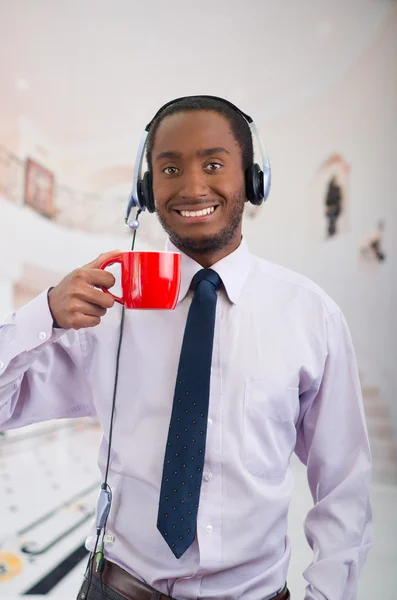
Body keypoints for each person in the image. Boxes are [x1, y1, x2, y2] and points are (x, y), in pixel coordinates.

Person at [0, 96, 372, 600]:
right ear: (147, 188)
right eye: (169, 167)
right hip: (117, 589)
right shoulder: (109, 311)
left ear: (252, 178)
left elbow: (343, 483)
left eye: (214, 164)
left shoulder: (310, 315)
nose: (192, 187)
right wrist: (42, 313)